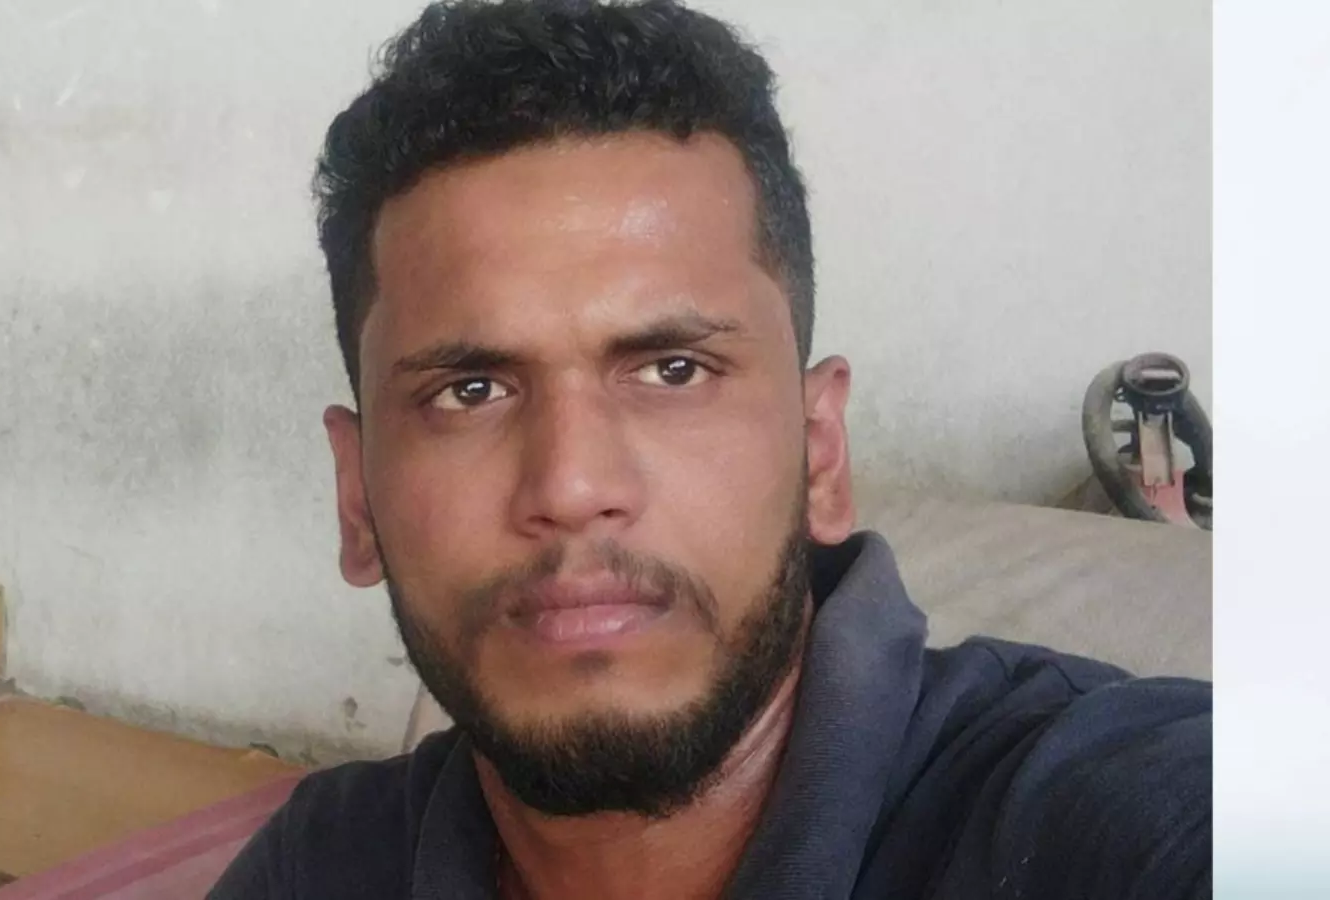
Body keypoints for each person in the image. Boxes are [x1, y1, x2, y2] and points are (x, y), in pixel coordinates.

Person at [209, 1, 1211, 897]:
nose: (572, 484)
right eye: (470, 392)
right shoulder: (323, 867)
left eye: (673, 370)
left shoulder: (1112, 815)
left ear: (820, 453)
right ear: (357, 498)